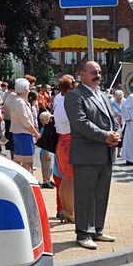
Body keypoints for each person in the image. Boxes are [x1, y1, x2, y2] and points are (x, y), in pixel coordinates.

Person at [64, 61, 121, 250]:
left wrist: (117, 133)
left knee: (101, 194)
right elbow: (80, 122)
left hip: (106, 153)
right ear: (81, 74)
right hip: (86, 155)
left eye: (99, 71)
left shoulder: (102, 94)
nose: (98, 75)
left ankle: (97, 229)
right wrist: (105, 136)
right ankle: (83, 233)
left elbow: (113, 119)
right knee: (85, 195)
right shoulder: (74, 95)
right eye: (93, 72)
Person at [53, 75, 76, 222]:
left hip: (61, 140)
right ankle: (70, 212)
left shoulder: (58, 99)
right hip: (69, 140)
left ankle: (65, 210)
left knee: (65, 179)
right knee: (71, 180)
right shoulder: (69, 101)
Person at [6, 78, 40, 173]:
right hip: (23, 134)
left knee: (20, 160)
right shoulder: (19, 102)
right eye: (28, 88)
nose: (29, 90)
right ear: (25, 90)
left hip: (22, 134)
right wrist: (36, 133)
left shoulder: (20, 100)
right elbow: (25, 120)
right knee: (27, 162)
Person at [37, 110, 57, 188]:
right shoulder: (44, 129)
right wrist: (47, 152)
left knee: (49, 167)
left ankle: (48, 179)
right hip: (45, 152)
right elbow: (46, 142)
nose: (51, 120)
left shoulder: (47, 128)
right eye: (49, 119)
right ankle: (45, 181)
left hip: (49, 152)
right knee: (46, 167)